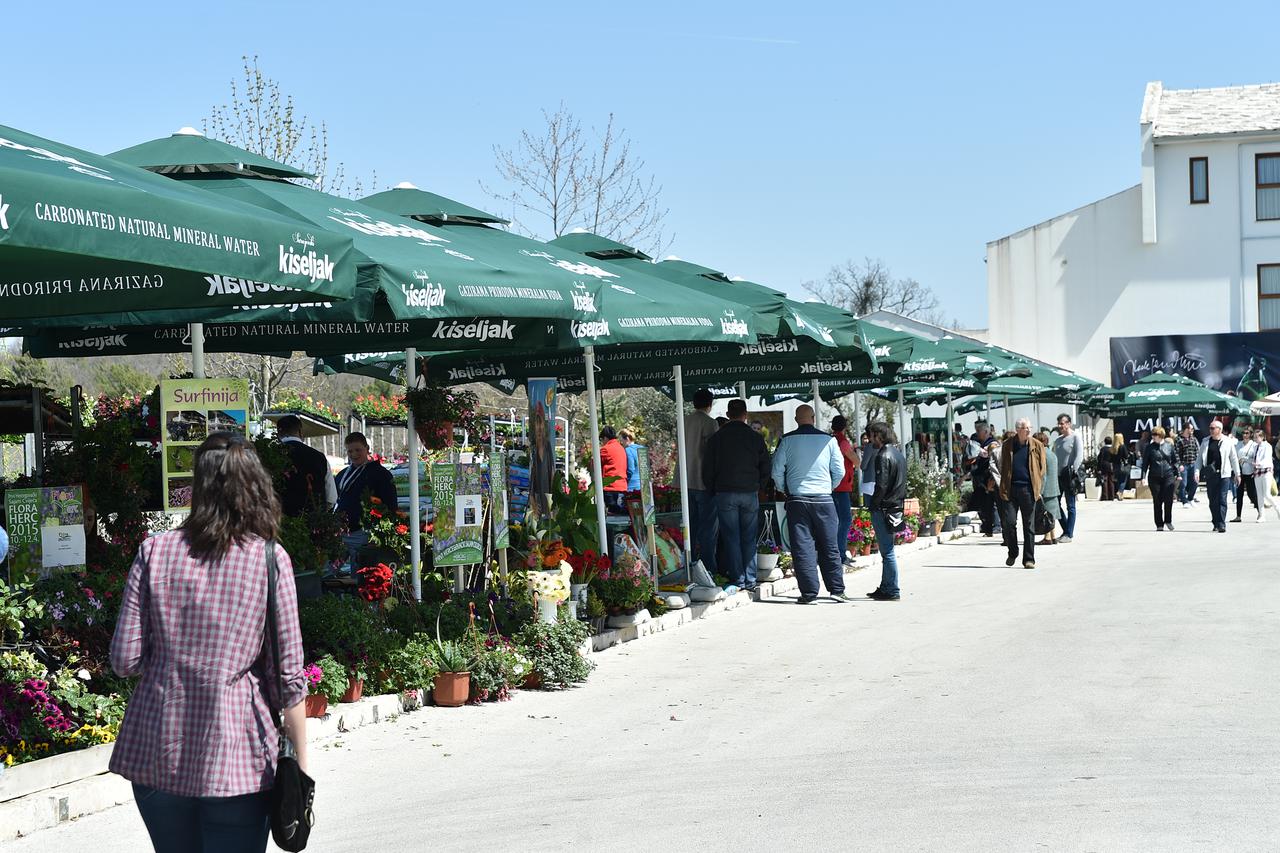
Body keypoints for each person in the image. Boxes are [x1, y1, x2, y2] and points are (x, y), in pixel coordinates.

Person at [109, 432, 307, 852]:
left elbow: (124, 659)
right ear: (257, 486)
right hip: (237, 754)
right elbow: (288, 679)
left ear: (197, 486)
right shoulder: (270, 559)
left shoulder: (153, 552)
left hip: (158, 748)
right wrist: (300, 771)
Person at [771, 404, 851, 603]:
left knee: (802, 547)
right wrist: (829, 487)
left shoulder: (787, 440)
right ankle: (836, 590)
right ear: (814, 418)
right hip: (824, 499)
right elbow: (839, 470)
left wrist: (785, 489)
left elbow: (776, 470)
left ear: (797, 420)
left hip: (797, 499)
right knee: (830, 545)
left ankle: (809, 593)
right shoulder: (829, 440)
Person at [702, 399, 771, 590]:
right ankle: (750, 579)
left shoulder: (716, 438)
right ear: (745, 414)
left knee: (731, 536)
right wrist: (760, 486)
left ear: (728, 413)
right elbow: (766, 465)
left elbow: (707, 468)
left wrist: (712, 489)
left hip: (724, 492)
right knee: (749, 536)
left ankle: (738, 579)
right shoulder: (755, 437)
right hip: (749, 492)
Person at [336, 432, 399, 566]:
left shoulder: (381, 474)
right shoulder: (342, 474)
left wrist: (377, 535)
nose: (354, 454)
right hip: (342, 533)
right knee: (329, 573)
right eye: (350, 451)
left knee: (360, 576)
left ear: (367, 448)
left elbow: (391, 505)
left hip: (364, 534)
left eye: (358, 450)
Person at [865, 422, 906, 601]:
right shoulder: (898, 454)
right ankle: (886, 586)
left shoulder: (883, 455)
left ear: (879, 436)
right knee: (888, 550)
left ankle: (892, 589)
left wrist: (874, 504)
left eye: (872, 436)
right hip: (895, 505)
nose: (870, 439)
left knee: (887, 551)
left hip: (884, 507)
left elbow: (881, 485)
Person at [681, 389, 720, 573]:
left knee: (690, 527)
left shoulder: (684, 421)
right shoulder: (710, 423)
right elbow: (714, 454)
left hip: (684, 480)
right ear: (709, 404)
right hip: (703, 482)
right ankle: (707, 569)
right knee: (707, 529)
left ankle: (689, 566)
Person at [999, 418, 1046, 569]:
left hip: (1028, 490)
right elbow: (1003, 466)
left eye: (1029, 428)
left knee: (1029, 526)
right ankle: (1013, 551)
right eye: (1026, 428)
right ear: (1018, 429)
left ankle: (1029, 559)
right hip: (1011, 489)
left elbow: (1042, 468)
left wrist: (1037, 487)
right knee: (1009, 523)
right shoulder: (1007, 445)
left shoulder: (1037, 445)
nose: (1029, 430)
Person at [275, 414, 337, 517]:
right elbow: (331, 498)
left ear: (278, 434)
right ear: (300, 432)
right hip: (312, 523)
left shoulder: (270, 455)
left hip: (279, 522)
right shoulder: (320, 458)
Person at [829, 415, 860, 567]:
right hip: (841, 487)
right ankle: (840, 554)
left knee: (836, 520)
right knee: (845, 520)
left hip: (833, 486)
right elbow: (856, 460)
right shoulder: (842, 441)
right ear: (845, 427)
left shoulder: (831, 440)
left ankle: (837, 553)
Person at [1199, 420, 1241, 533]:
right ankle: (1215, 522)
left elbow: (1233, 458)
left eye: (1213, 428)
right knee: (1212, 500)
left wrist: (1237, 474)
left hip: (1224, 475)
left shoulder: (1227, 441)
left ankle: (1222, 524)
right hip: (1211, 475)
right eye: (1210, 428)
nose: (1211, 430)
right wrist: (1196, 472)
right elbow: (1199, 459)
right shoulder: (1205, 441)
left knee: (1222, 499)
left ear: (1220, 429)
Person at [1140, 426, 1178, 531]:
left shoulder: (1169, 446)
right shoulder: (1149, 447)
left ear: (1161, 435)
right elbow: (1145, 464)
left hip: (1168, 475)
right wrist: (1143, 477)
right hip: (1154, 476)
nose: (1153, 437)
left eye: (1155, 435)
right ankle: (1159, 524)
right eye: (1152, 435)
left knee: (1168, 499)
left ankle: (1168, 520)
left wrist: (1178, 473)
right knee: (1157, 501)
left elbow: (1174, 461)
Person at [1052, 414, 1083, 542]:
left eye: (1063, 423)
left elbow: (1079, 456)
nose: (1060, 426)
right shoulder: (1058, 440)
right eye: (1059, 423)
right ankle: (1065, 529)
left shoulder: (1075, 437)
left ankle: (1069, 534)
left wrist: (1073, 471)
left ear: (1069, 424)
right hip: (1058, 476)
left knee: (1070, 505)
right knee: (1055, 504)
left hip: (1069, 476)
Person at [969, 421, 999, 537]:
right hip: (981, 478)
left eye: (978, 431)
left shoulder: (992, 444)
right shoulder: (980, 444)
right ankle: (988, 527)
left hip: (990, 478)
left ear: (986, 432)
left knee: (991, 503)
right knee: (984, 504)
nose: (977, 434)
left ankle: (996, 526)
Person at [1035, 431, 1060, 545]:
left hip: (1046, 490)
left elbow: (1043, 475)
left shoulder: (1041, 455)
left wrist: (1039, 491)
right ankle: (1053, 536)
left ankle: (1047, 537)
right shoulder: (1052, 453)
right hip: (1054, 488)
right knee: (1051, 514)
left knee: (1045, 514)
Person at [1232, 425, 1260, 522]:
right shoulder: (1238, 444)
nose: (1245, 435)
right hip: (1240, 472)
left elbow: (1256, 459)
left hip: (1250, 472)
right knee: (1239, 494)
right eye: (1243, 433)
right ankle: (1238, 516)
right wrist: (1235, 473)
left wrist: (1246, 459)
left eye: (1247, 433)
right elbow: (1234, 458)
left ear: (1251, 434)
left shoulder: (1254, 445)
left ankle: (1260, 512)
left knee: (1251, 494)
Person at [598, 426, 628, 514]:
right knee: (620, 514)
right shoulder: (621, 448)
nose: (602, 443)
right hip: (622, 486)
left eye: (602, 440)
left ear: (605, 438)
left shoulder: (606, 449)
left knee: (612, 515)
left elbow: (595, 464)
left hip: (610, 488)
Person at [1174, 424, 1200, 505]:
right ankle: (1184, 501)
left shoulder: (1194, 439)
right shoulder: (1178, 439)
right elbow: (1176, 453)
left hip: (1193, 463)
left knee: (1195, 482)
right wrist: (1179, 464)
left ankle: (1190, 498)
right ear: (1186, 429)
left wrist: (1198, 463)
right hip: (1183, 464)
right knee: (1183, 483)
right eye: (1191, 429)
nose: (1192, 430)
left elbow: (1198, 451)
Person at [1254, 434, 1274, 522]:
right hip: (1257, 472)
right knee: (1260, 495)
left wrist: (1259, 463)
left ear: (1262, 437)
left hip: (1266, 471)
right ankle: (1262, 516)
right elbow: (1253, 458)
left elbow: (1267, 458)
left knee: (1267, 494)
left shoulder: (1267, 446)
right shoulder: (1255, 447)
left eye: (1257, 437)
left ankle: (1277, 508)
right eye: (1254, 437)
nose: (1255, 438)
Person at [618, 427, 643, 492]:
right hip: (643, 485)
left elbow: (630, 469)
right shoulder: (642, 449)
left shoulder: (628, 450)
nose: (621, 443)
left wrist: (625, 481)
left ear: (627, 439)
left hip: (632, 486)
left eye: (621, 441)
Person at [858, 430, 876, 508]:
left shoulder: (869, 447)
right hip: (879, 481)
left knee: (870, 507)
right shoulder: (881, 446)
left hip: (869, 481)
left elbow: (863, 466)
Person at [1112, 432, 1133, 499]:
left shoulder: (1113, 448)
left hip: (1115, 466)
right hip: (1123, 466)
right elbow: (1126, 456)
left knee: (1118, 480)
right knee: (1123, 480)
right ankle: (1120, 492)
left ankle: (1120, 495)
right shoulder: (1122, 446)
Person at [1098, 437, 1116, 501]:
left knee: (1104, 480)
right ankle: (1112, 496)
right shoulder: (1113, 448)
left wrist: (1099, 468)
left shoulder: (1103, 449)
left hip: (1104, 465)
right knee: (1111, 481)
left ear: (1105, 442)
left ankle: (1105, 496)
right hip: (1112, 465)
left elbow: (1100, 459)